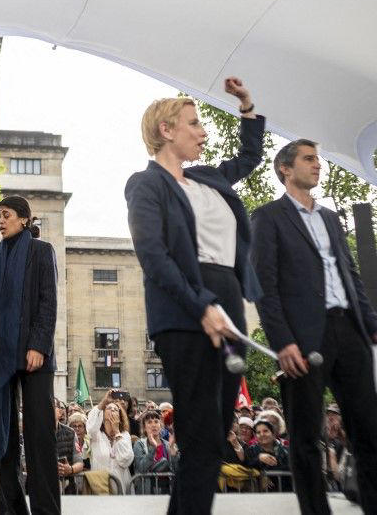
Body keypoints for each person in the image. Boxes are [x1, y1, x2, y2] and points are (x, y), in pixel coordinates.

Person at [125, 79, 265, 514]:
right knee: (202, 433)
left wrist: (246, 107)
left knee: (214, 433)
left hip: (229, 301)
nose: (203, 132)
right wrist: (201, 305)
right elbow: (153, 254)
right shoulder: (145, 185)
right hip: (184, 311)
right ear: (167, 130)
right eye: (194, 123)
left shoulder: (208, 177)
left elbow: (250, 156)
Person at [251, 138, 377, 515]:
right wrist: (282, 341)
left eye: (318, 159)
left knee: (369, 431)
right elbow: (264, 287)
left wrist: (373, 324)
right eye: (309, 159)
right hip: (302, 340)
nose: (318, 165)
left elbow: (351, 276)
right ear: (285, 168)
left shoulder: (332, 218)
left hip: (349, 331)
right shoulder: (267, 217)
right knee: (304, 440)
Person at [0, 195, 59, 514]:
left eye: (7, 214)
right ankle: (10, 510)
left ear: (25, 219)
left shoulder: (42, 251)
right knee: (4, 439)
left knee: (40, 440)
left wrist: (39, 345)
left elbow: (47, 301)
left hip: (34, 357)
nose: (0, 219)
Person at [86, 392, 134, 493]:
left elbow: (125, 460)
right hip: (100, 485)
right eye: (108, 408)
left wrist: (117, 432)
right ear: (102, 415)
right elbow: (90, 427)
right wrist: (103, 403)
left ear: (120, 417)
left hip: (121, 485)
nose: (112, 410)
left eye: (115, 409)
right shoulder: (96, 434)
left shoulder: (125, 435)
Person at [133, 409, 176, 494]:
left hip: (167, 490)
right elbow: (141, 468)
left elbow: (176, 469)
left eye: (156, 421)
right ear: (144, 428)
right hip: (148, 490)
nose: (153, 425)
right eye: (149, 422)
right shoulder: (139, 444)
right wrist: (153, 448)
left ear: (160, 425)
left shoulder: (167, 444)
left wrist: (172, 449)